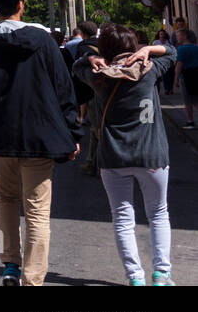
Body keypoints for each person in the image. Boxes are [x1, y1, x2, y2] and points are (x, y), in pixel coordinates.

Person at [0, 0, 81, 287]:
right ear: (21, 3)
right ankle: (32, 278)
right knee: (38, 210)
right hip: (41, 136)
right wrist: (72, 132)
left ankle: (10, 265)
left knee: (6, 200)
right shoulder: (43, 41)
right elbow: (63, 88)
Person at [72, 25, 177, 285]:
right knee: (158, 213)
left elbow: (76, 66)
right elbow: (172, 52)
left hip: (113, 156)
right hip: (152, 155)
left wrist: (91, 58)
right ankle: (162, 275)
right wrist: (148, 49)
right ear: (133, 46)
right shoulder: (149, 70)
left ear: (104, 49)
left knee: (121, 217)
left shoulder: (97, 75)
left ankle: (135, 277)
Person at [175, 28, 198, 129]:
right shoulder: (196, 47)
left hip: (186, 76)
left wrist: (176, 78)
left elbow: (179, 65)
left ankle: (190, 121)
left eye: (178, 36)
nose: (177, 38)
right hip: (196, 73)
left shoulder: (181, 49)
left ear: (184, 36)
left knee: (187, 100)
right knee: (196, 98)